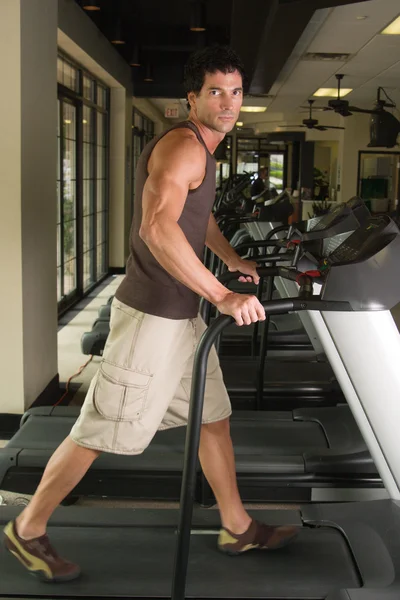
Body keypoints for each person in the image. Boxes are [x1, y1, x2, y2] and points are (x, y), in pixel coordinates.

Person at [3, 45, 298, 583]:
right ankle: (26, 527)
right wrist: (222, 295)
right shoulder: (185, 147)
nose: (229, 103)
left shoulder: (205, 153)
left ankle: (236, 525)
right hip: (152, 318)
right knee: (101, 428)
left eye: (236, 92)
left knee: (213, 419)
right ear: (192, 98)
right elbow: (157, 226)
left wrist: (231, 257)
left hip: (182, 319)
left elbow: (194, 214)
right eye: (216, 92)